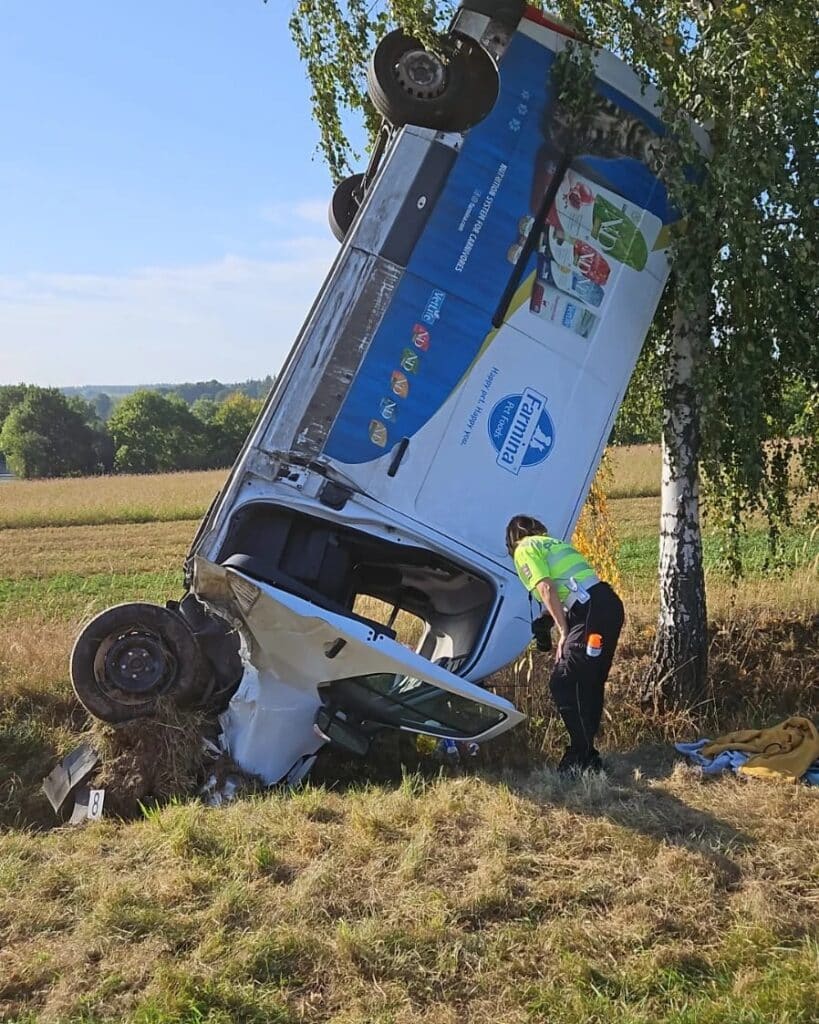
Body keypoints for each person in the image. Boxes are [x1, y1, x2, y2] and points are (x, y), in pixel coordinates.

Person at [505, 514, 624, 773]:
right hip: (605, 604)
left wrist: (562, 631)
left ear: (512, 541)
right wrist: (546, 620)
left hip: (589, 609)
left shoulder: (524, 549)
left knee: (564, 681)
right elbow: (566, 587)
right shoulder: (553, 544)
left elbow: (546, 588)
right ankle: (587, 757)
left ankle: (582, 755)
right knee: (589, 682)